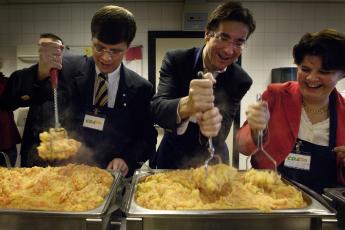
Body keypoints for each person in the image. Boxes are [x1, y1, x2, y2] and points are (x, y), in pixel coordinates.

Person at [1, 5, 157, 177]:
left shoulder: (140, 88)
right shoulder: (64, 69)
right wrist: (41, 71)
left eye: (115, 51)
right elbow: (9, 98)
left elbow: (146, 137)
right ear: (92, 40)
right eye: (99, 48)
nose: (106, 57)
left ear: (128, 47)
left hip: (106, 180)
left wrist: (127, 159)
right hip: (51, 176)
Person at [237, 29, 345, 194]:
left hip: (324, 208)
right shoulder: (277, 95)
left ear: (342, 74)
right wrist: (256, 129)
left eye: (323, 72)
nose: (311, 78)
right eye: (305, 69)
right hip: (272, 199)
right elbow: (243, 147)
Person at [150, 1, 255, 169]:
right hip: (172, 158)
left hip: (212, 160)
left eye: (238, 42)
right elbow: (158, 109)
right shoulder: (177, 60)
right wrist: (188, 105)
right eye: (224, 37)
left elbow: (223, 130)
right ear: (207, 34)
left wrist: (213, 125)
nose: (229, 50)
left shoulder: (240, 80)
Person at [0, 68, 21, 167]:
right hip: (7, 139)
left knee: (8, 176)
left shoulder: (7, 82)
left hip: (7, 139)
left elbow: (15, 104)